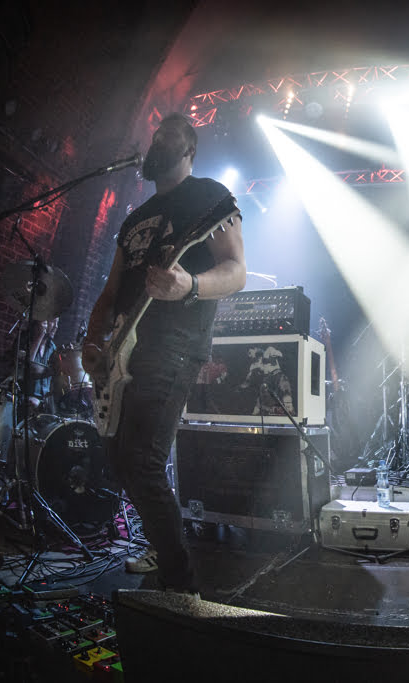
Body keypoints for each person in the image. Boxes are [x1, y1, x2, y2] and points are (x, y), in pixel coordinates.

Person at [81, 113, 246, 593]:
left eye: (167, 135)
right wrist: (93, 341)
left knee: (141, 459)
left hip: (174, 345)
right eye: (153, 136)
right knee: (119, 460)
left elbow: (236, 270)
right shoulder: (134, 218)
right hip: (121, 353)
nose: (156, 141)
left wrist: (189, 285)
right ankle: (162, 545)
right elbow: (110, 291)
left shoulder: (208, 196)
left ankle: (181, 587)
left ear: (189, 149)